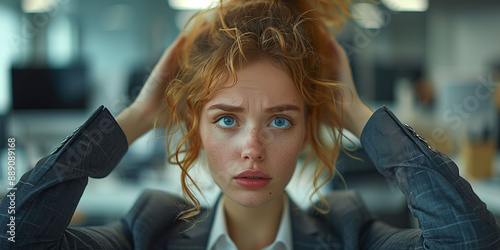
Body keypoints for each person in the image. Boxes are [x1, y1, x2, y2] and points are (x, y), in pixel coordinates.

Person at [1, 0, 499, 249]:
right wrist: (134, 118)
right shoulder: (145, 231)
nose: (252, 148)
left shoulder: (351, 233)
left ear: (308, 130)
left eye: (280, 120)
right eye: (226, 119)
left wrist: (351, 109)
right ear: (195, 128)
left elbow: (472, 241)